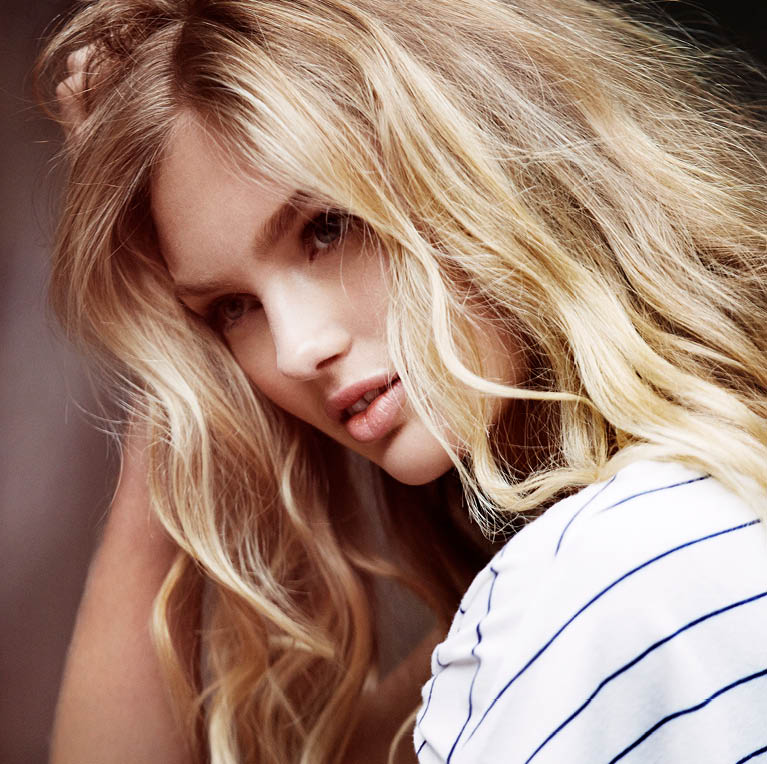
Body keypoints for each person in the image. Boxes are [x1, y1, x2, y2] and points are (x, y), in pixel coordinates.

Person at [37, 0, 767, 762]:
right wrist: (175, 364)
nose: (294, 351)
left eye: (326, 227)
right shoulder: (662, 532)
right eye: (230, 308)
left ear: (479, 149)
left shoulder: (600, 581)